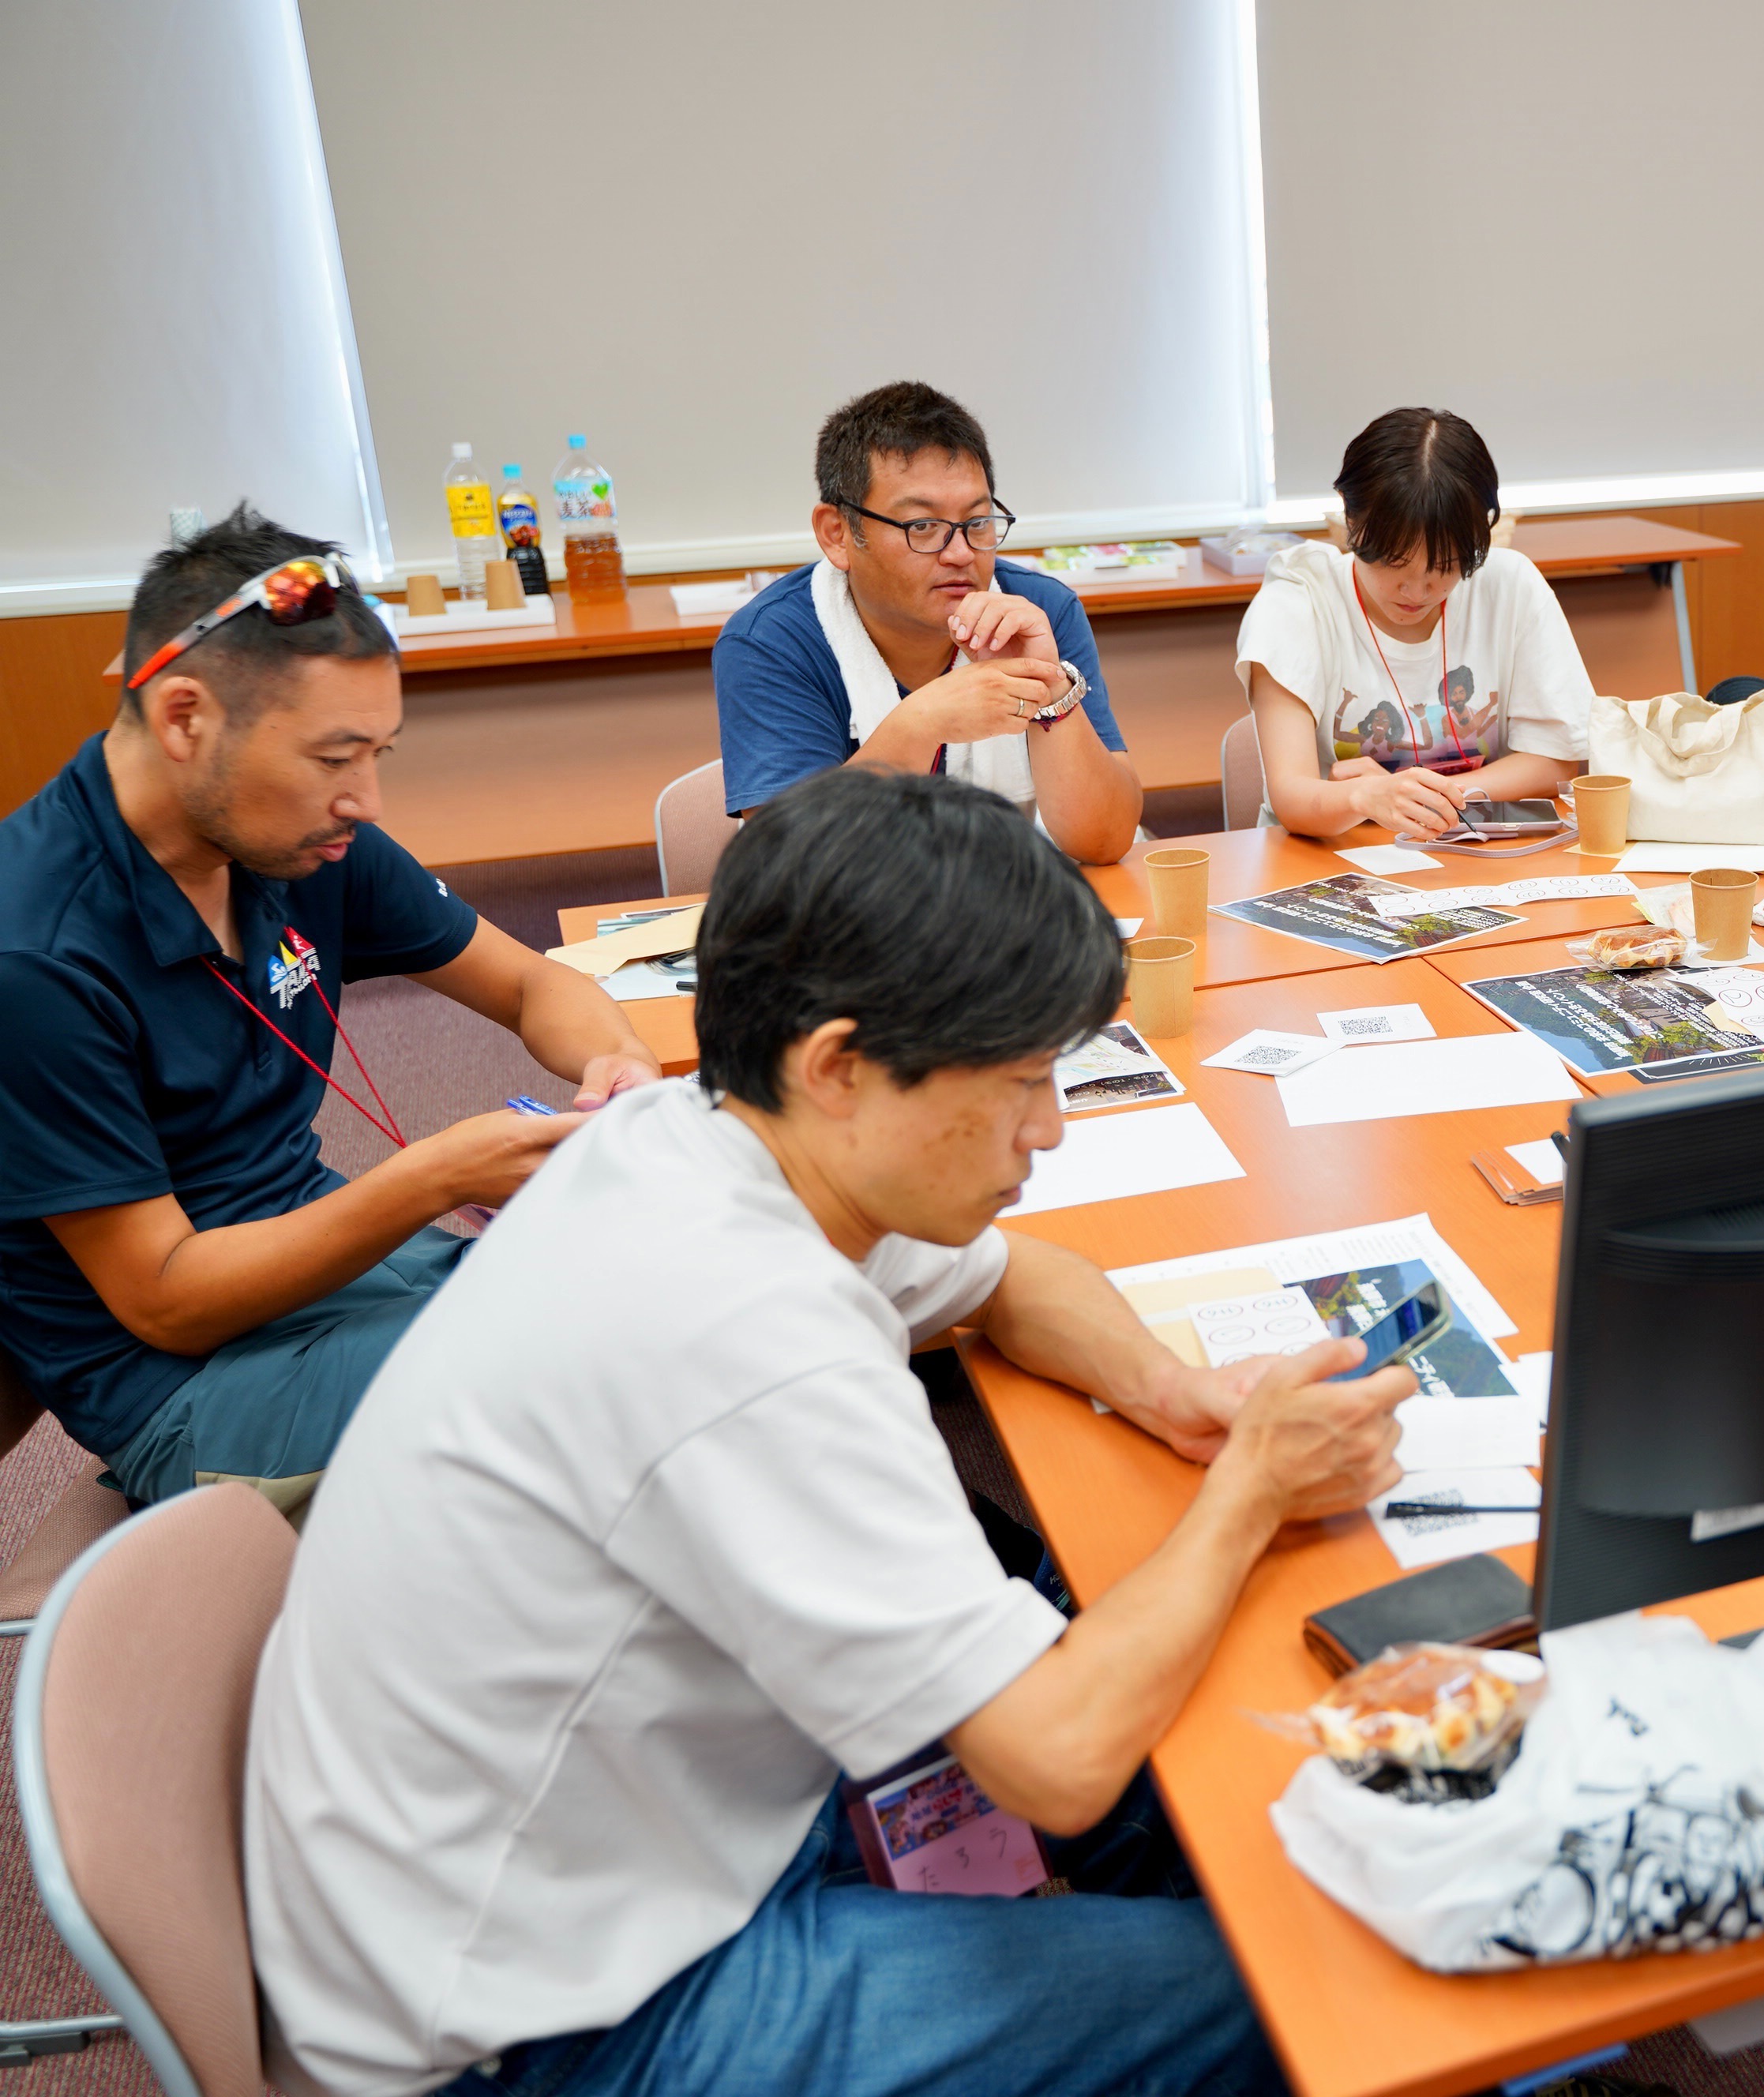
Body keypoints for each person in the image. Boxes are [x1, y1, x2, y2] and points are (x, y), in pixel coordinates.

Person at [245, 764, 1415, 2097]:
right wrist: (1250, 1486)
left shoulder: (693, 1139)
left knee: (1133, 1659)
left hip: (564, 1849)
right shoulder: (748, 1339)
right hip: (541, 2027)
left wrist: (1160, 1387)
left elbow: (1017, 1281)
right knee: (1296, 1986)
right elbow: (1056, 1762)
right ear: (840, 1066)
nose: (1048, 1131)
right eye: (1022, 1081)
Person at [0, 507, 658, 1514]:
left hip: (328, 1279)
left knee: (678, 1272)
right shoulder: (34, 951)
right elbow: (168, 1299)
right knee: (636, 1358)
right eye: (335, 756)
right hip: (192, 1392)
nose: (368, 799)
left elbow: (536, 986)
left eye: (379, 754)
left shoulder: (295, 835)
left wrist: (615, 1063)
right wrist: (434, 1176)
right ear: (184, 718)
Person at [714, 381, 1142, 862]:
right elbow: (787, 866)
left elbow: (1104, 842)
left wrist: (1052, 692)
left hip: (1015, 908)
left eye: (977, 523)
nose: (960, 554)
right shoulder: (771, 641)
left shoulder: (1039, 611)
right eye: (922, 527)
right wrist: (919, 724)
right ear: (838, 535)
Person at [1237, 407, 1592, 837]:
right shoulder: (1297, 603)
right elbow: (1291, 796)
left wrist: (1411, 798)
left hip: (1471, 849)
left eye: (1444, 568)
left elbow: (1553, 760)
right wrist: (1363, 799)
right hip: (1334, 856)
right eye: (1395, 564)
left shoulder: (1509, 586)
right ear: (1352, 522)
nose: (1417, 593)